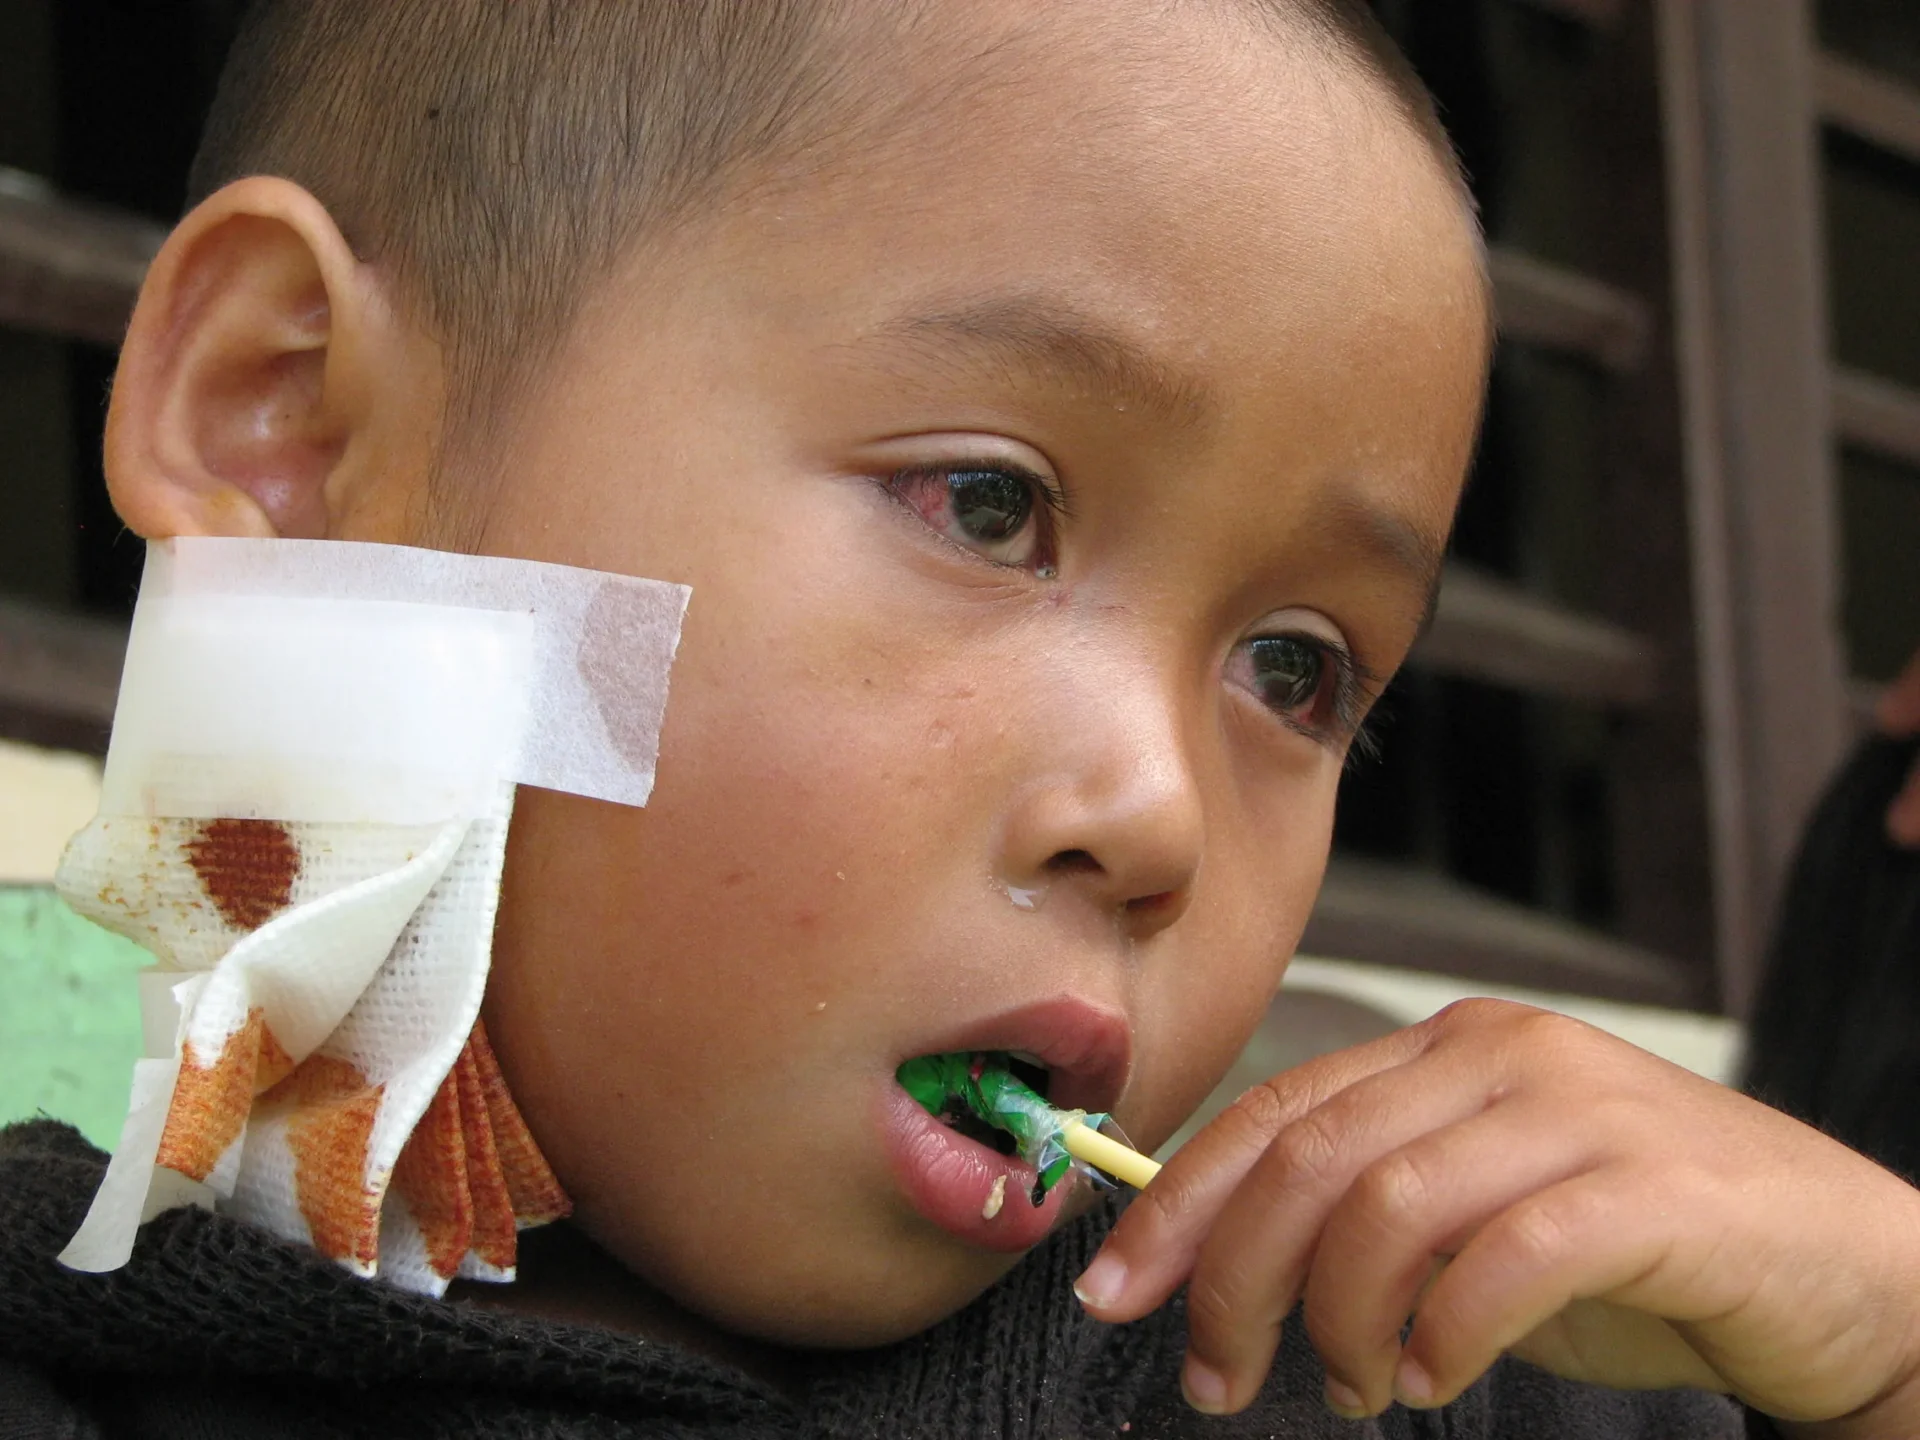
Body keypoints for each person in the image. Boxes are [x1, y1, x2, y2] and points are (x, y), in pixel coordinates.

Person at [5, 2, 1920, 1435]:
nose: (1161, 815)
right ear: (288, 424)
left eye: (1299, 671)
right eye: (988, 505)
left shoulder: (1371, 1368)